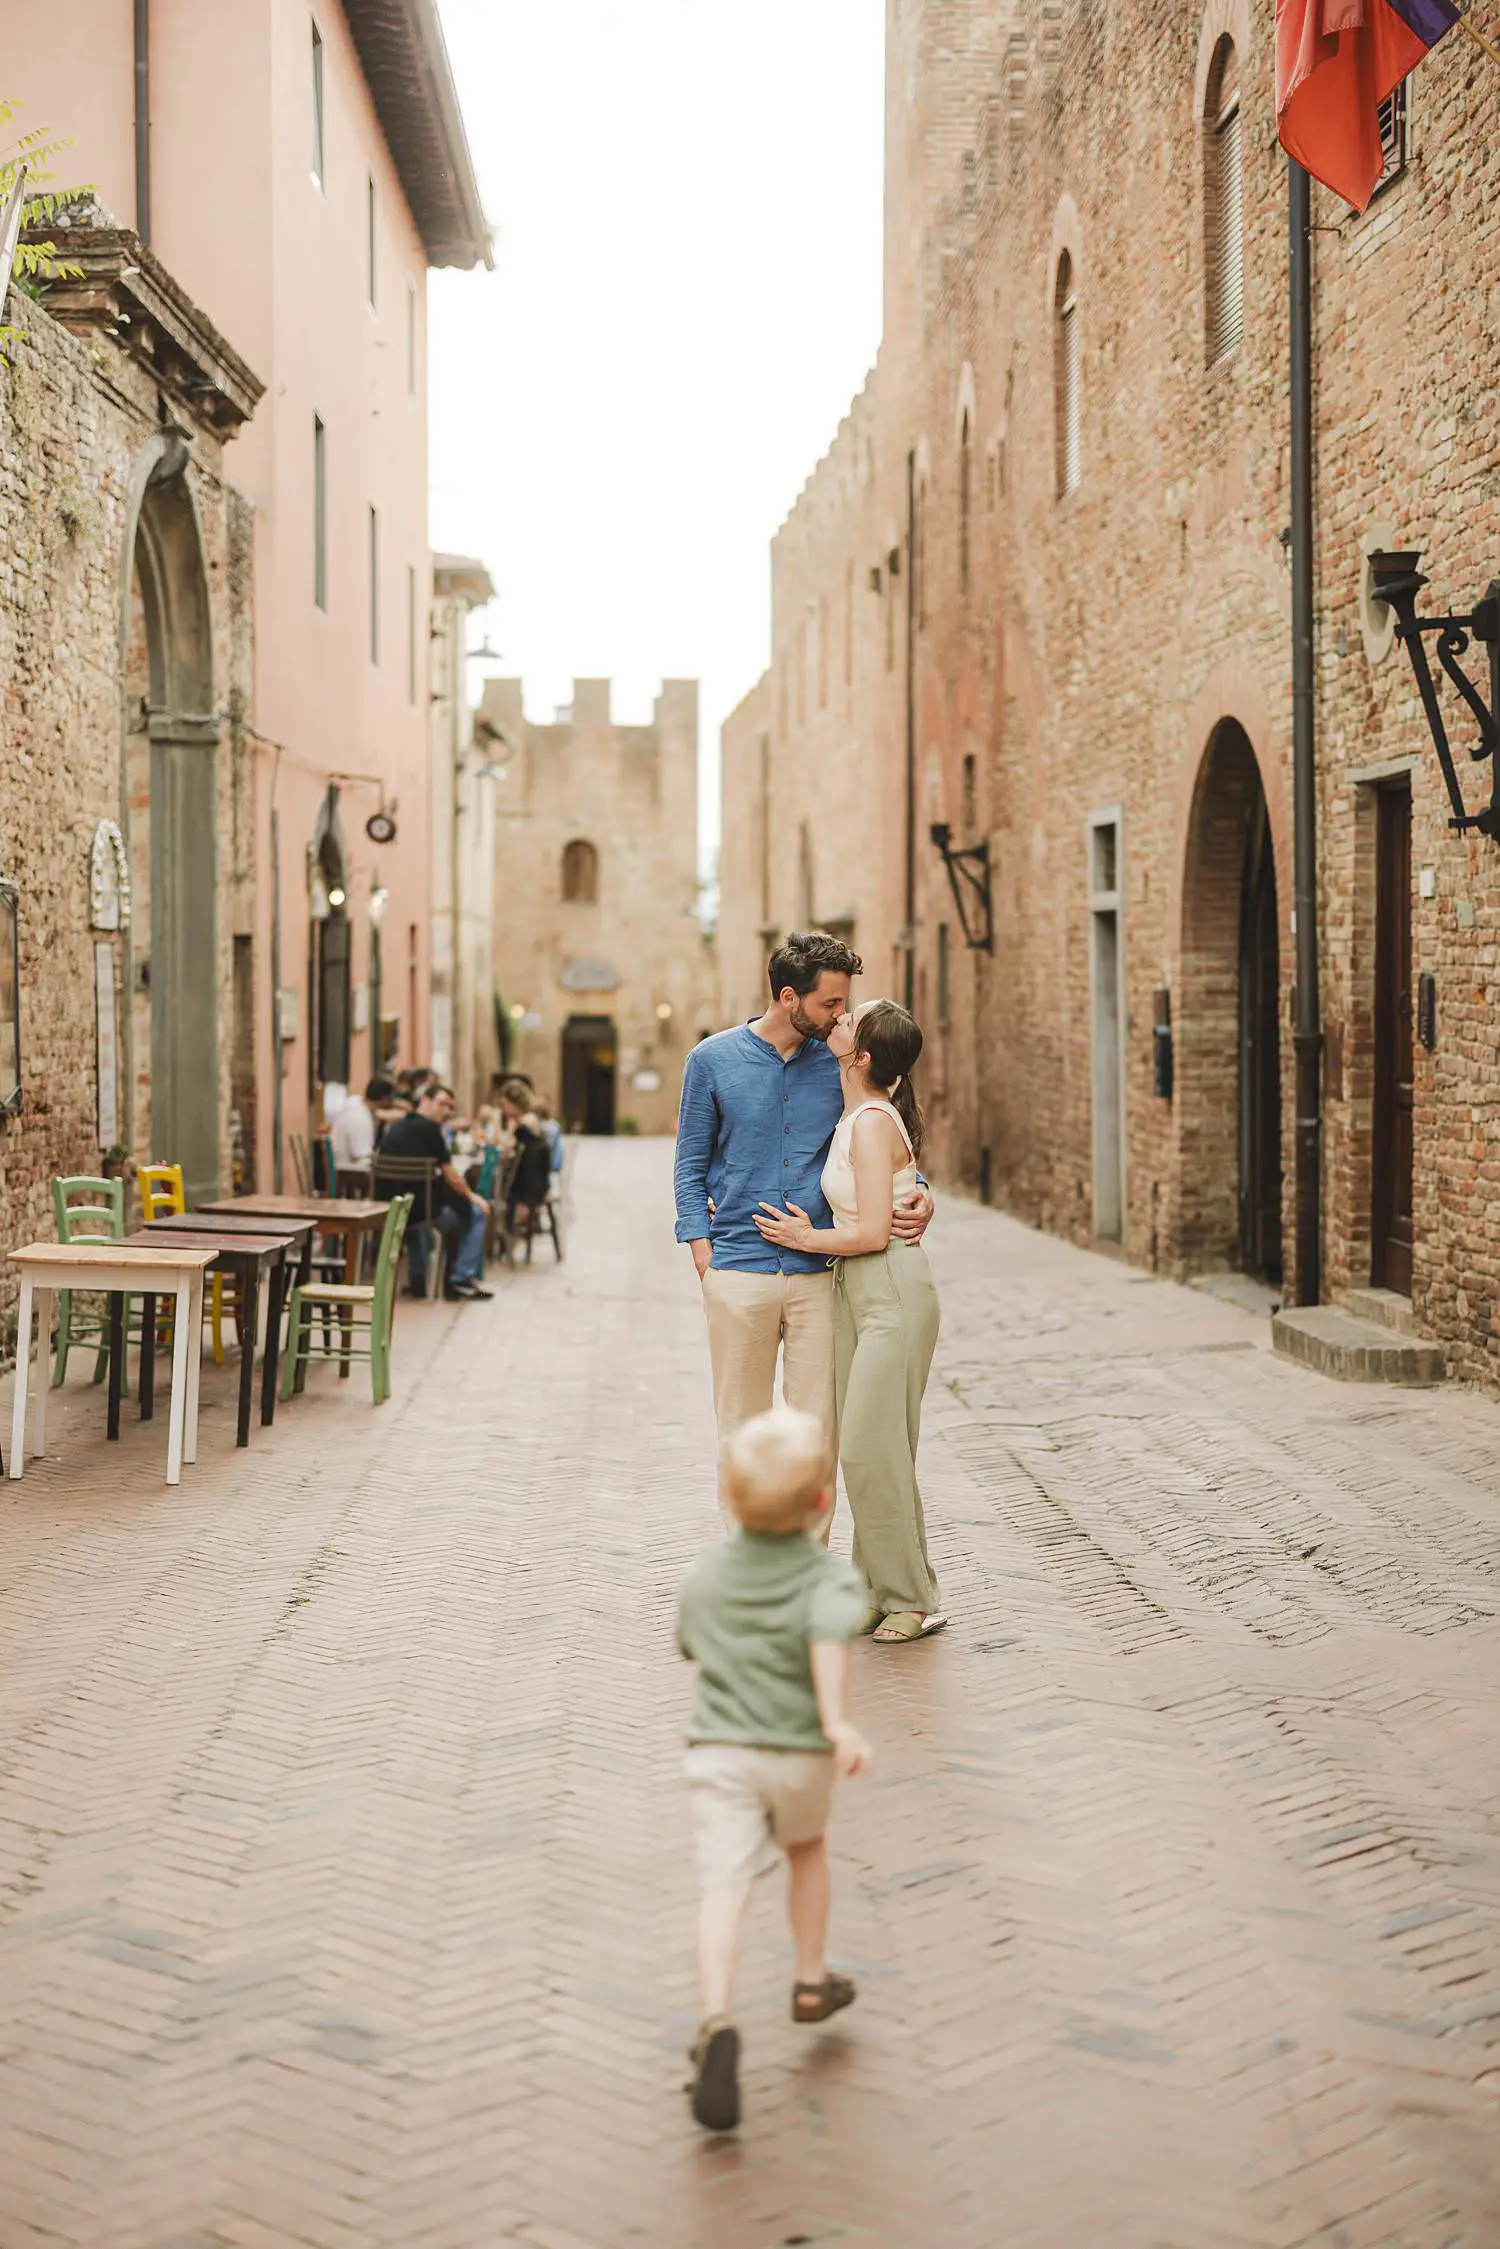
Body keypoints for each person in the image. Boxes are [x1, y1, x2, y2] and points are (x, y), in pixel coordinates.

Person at [673, 931, 933, 1485]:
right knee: (741, 1434)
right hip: (739, 1270)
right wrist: (704, 1255)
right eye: (831, 1004)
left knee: (818, 1437)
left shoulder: (842, 1063)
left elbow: (878, 1132)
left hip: (823, 1277)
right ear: (790, 998)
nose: (841, 1017)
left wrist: (919, 1191)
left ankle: (807, 1568)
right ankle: (752, 1567)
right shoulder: (712, 1060)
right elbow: (689, 1165)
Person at [676, 1406, 871, 2135]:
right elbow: (827, 1636)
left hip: (721, 1750)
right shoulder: (826, 1575)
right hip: (798, 1752)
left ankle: (717, 2016)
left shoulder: (708, 1570)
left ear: (728, 1495)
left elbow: (689, 1638)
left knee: (723, 1884)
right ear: (823, 1502)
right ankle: (811, 1978)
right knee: (806, 1850)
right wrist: (835, 1721)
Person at [755, 1000, 946, 1644]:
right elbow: (895, 1189)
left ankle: (911, 1599)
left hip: (889, 1287)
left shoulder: (868, 1121)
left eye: (847, 1020)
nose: (835, 1021)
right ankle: (877, 1589)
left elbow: (868, 1232)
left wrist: (804, 1237)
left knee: (872, 1447)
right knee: (872, 1448)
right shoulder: (860, 1111)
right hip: (857, 1292)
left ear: (860, 1056)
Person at [373, 1082, 493, 1301]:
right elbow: (450, 1174)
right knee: (472, 1214)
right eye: (442, 1104)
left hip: (390, 1209)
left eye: (450, 1108)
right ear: (425, 1101)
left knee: (419, 1215)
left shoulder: (398, 1126)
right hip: (420, 1211)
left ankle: (418, 1280)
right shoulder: (430, 1129)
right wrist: (474, 1197)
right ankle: (460, 1279)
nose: (446, 1111)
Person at [497, 1077, 553, 1239]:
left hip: (529, 1187)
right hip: (530, 1182)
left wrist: (498, 1123)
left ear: (514, 1104)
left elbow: (504, 1147)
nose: (503, 1110)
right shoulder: (528, 1120)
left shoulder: (525, 1124)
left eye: (504, 1105)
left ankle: (500, 1237)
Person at [329, 1075, 395, 1170]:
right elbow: (362, 1157)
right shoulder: (360, 1118)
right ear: (385, 1099)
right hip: (350, 1173)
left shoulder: (356, 1107)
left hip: (342, 1167)